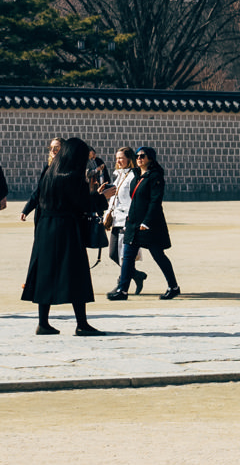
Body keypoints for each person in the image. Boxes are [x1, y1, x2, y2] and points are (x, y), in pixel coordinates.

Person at [23, 138, 106, 335]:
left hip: (46, 229)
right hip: (67, 229)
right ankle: (82, 324)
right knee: (77, 274)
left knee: (45, 274)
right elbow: (83, 204)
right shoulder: (72, 177)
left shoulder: (49, 174)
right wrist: (102, 197)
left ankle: (43, 322)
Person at [107, 146, 179, 302]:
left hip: (149, 224)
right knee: (127, 256)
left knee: (158, 255)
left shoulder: (155, 177)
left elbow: (155, 201)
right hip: (133, 221)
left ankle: (173, 287)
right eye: (137, 156)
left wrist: (146, 222)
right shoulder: (135, 174)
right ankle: (123, 290)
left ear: (150, 159)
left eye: (142, 156)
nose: (139, 158)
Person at [104, 147, 137, 279]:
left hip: (126, 219)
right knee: (113, 254)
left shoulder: (133, 176)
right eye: (117, 158)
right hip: (116, 218)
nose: (118, 160)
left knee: (124, 255)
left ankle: (122, 282)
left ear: (129, 159)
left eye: (121, 158)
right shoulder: (119, 175)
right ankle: (136, 275)